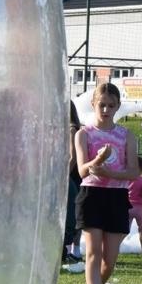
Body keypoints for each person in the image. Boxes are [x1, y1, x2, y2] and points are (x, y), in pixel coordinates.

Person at [73, 82, 140, 284]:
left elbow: (133, 171)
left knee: (109, 261)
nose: (106, 109)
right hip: (92, 195)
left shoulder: (127, 136)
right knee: (93, 255)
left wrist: (109, 171)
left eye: (111, 105)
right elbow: (81, 170)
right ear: (93, 104)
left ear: (118, 106)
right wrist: (96, 161)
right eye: (102, 104)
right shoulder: (84, 134)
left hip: (116, 196)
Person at [63, 101, 83, 264]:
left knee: (73, 215)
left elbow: (72, 157)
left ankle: (73, 250)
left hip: (73, 176)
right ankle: (72, 250)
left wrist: (63, 178)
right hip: (71, 176)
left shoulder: (71, 129)